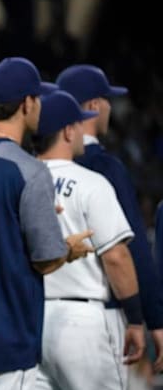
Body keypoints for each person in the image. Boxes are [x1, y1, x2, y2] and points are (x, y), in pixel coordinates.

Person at [0, 57, 93, 390]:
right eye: (38, 99)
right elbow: (46, 259)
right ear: (27, 104)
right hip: (6, 337)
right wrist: (67, 248)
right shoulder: (29, 170)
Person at [32, 90, 145, 390]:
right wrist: (135, 319)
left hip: (30, 317)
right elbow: (116, 256)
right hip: (82, 319)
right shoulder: (91, 182)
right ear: (68, 131)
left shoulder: (21, 180)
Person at [57, 64, 163, 372]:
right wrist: (153, 319)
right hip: (99, 311)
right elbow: (130, 251)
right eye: (106, 101)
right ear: (93, 106)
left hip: (42, 314)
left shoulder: (37, 167)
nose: (109, 108)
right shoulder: (105, 167)